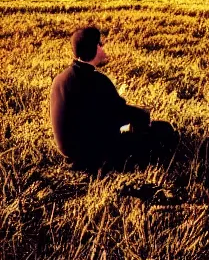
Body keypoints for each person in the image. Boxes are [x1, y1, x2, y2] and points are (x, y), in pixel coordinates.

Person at [50, 26, 176, 170]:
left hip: (70, 150)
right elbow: (120, 113)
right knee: (163, 130)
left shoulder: (60, 78)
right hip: (93, 153)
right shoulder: (96, 80)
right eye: (101, 44)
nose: (103, 47)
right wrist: (143, 114)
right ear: (96, 47)